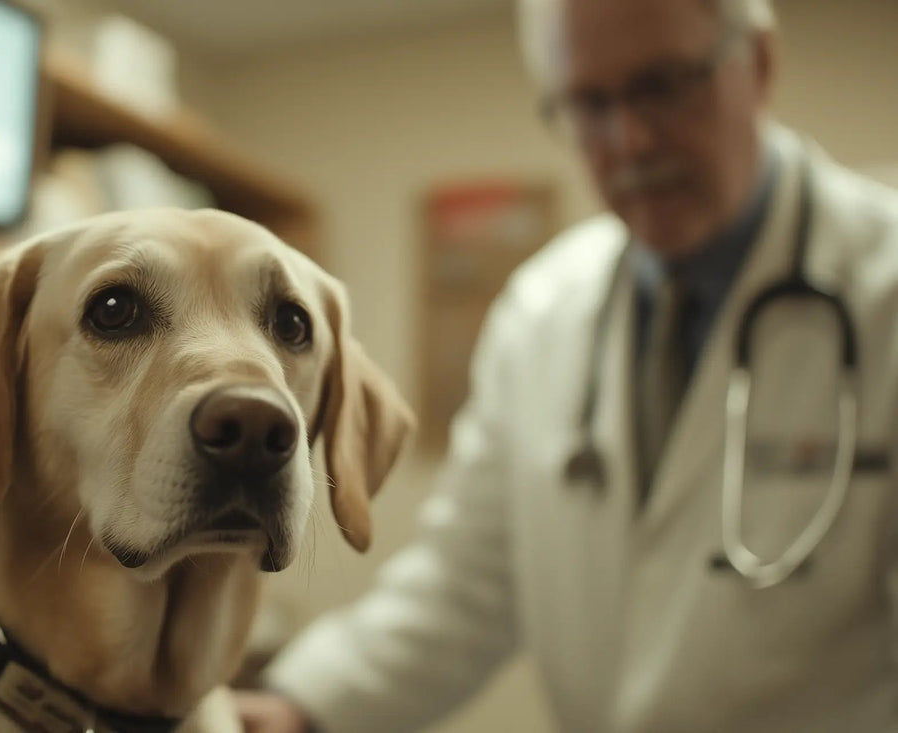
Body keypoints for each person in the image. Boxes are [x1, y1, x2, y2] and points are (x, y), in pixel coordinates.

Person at [234, 0, 898, 730]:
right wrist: (296, 707)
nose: (632, 139)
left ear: (761, 64)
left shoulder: (883, 286)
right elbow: (464, 588)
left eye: (666, 85)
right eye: (589, 103)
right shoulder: (541, 312)